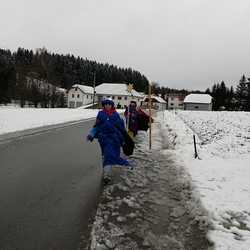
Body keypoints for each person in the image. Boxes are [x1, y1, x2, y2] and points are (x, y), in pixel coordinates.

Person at [87, 98, 130, 183]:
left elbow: (121, 128)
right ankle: (106, 169)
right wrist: (91, 134)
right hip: (103, 139)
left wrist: (124, 139)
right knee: (105, 155)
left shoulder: (116, 115)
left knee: (109, 154)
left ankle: (107, 174)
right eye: (105, 104)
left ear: (111, 105)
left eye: (109, 104)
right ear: (103, 105)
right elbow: (96, 127)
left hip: (114, 139)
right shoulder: (100, 114)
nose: (107, 106)